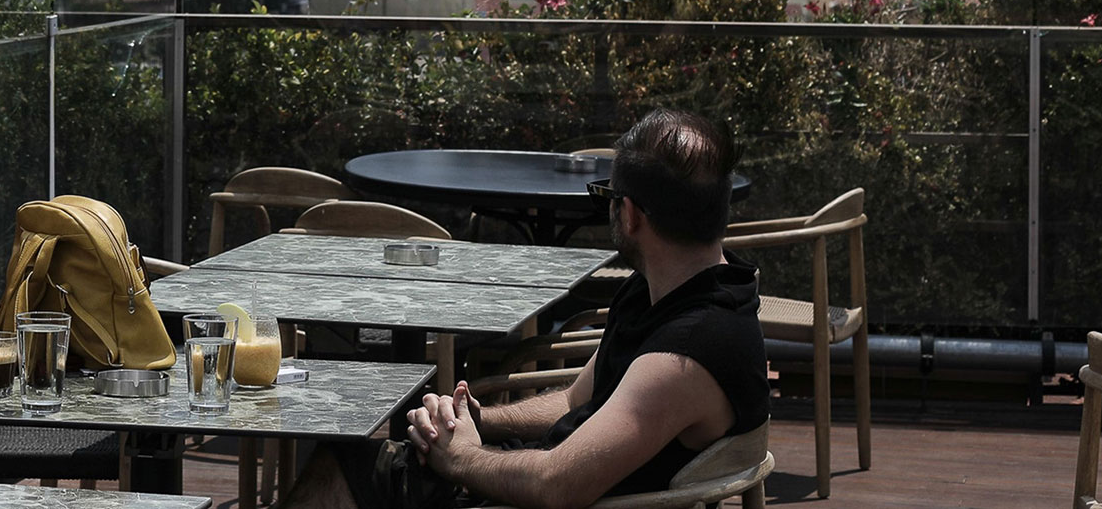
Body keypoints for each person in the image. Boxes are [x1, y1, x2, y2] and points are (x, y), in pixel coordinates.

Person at [290, 108, 768, 509]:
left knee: (341, 466)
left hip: (536, 495)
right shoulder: (663, 293)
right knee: (361, 460)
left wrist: (457, 458)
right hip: (538, 470)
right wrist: (474, 421)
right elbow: (574, 401)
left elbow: (555, 483)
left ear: (629, 214)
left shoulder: (686, 354)